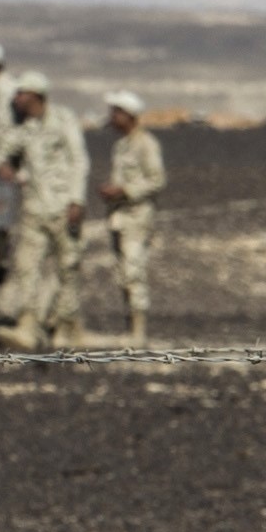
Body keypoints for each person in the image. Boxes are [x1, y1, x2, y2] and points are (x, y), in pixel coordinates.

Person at [0, 70, 86, 350]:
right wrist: (5, 166)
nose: (16, 99)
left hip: (63, 207)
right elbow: (1, 153)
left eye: (21, 94)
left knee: (67, 268)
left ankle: (64, 326)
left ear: (35, 95)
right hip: (34, 209)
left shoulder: (63, 120)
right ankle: (28, 325)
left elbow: (79, 160)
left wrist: (77, 200)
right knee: (27, 268)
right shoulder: (23, 129)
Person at [96, 89, 164, 344]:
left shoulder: (146, 144)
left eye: (116, 112)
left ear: (129, 115)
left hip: (137, 218)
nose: (112, 118)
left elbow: (157, 180)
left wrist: (124, 190)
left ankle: (138, 333)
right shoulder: (122, 145)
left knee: (134, 272)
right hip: (119, 217)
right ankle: (130, 329)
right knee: (122, 273)